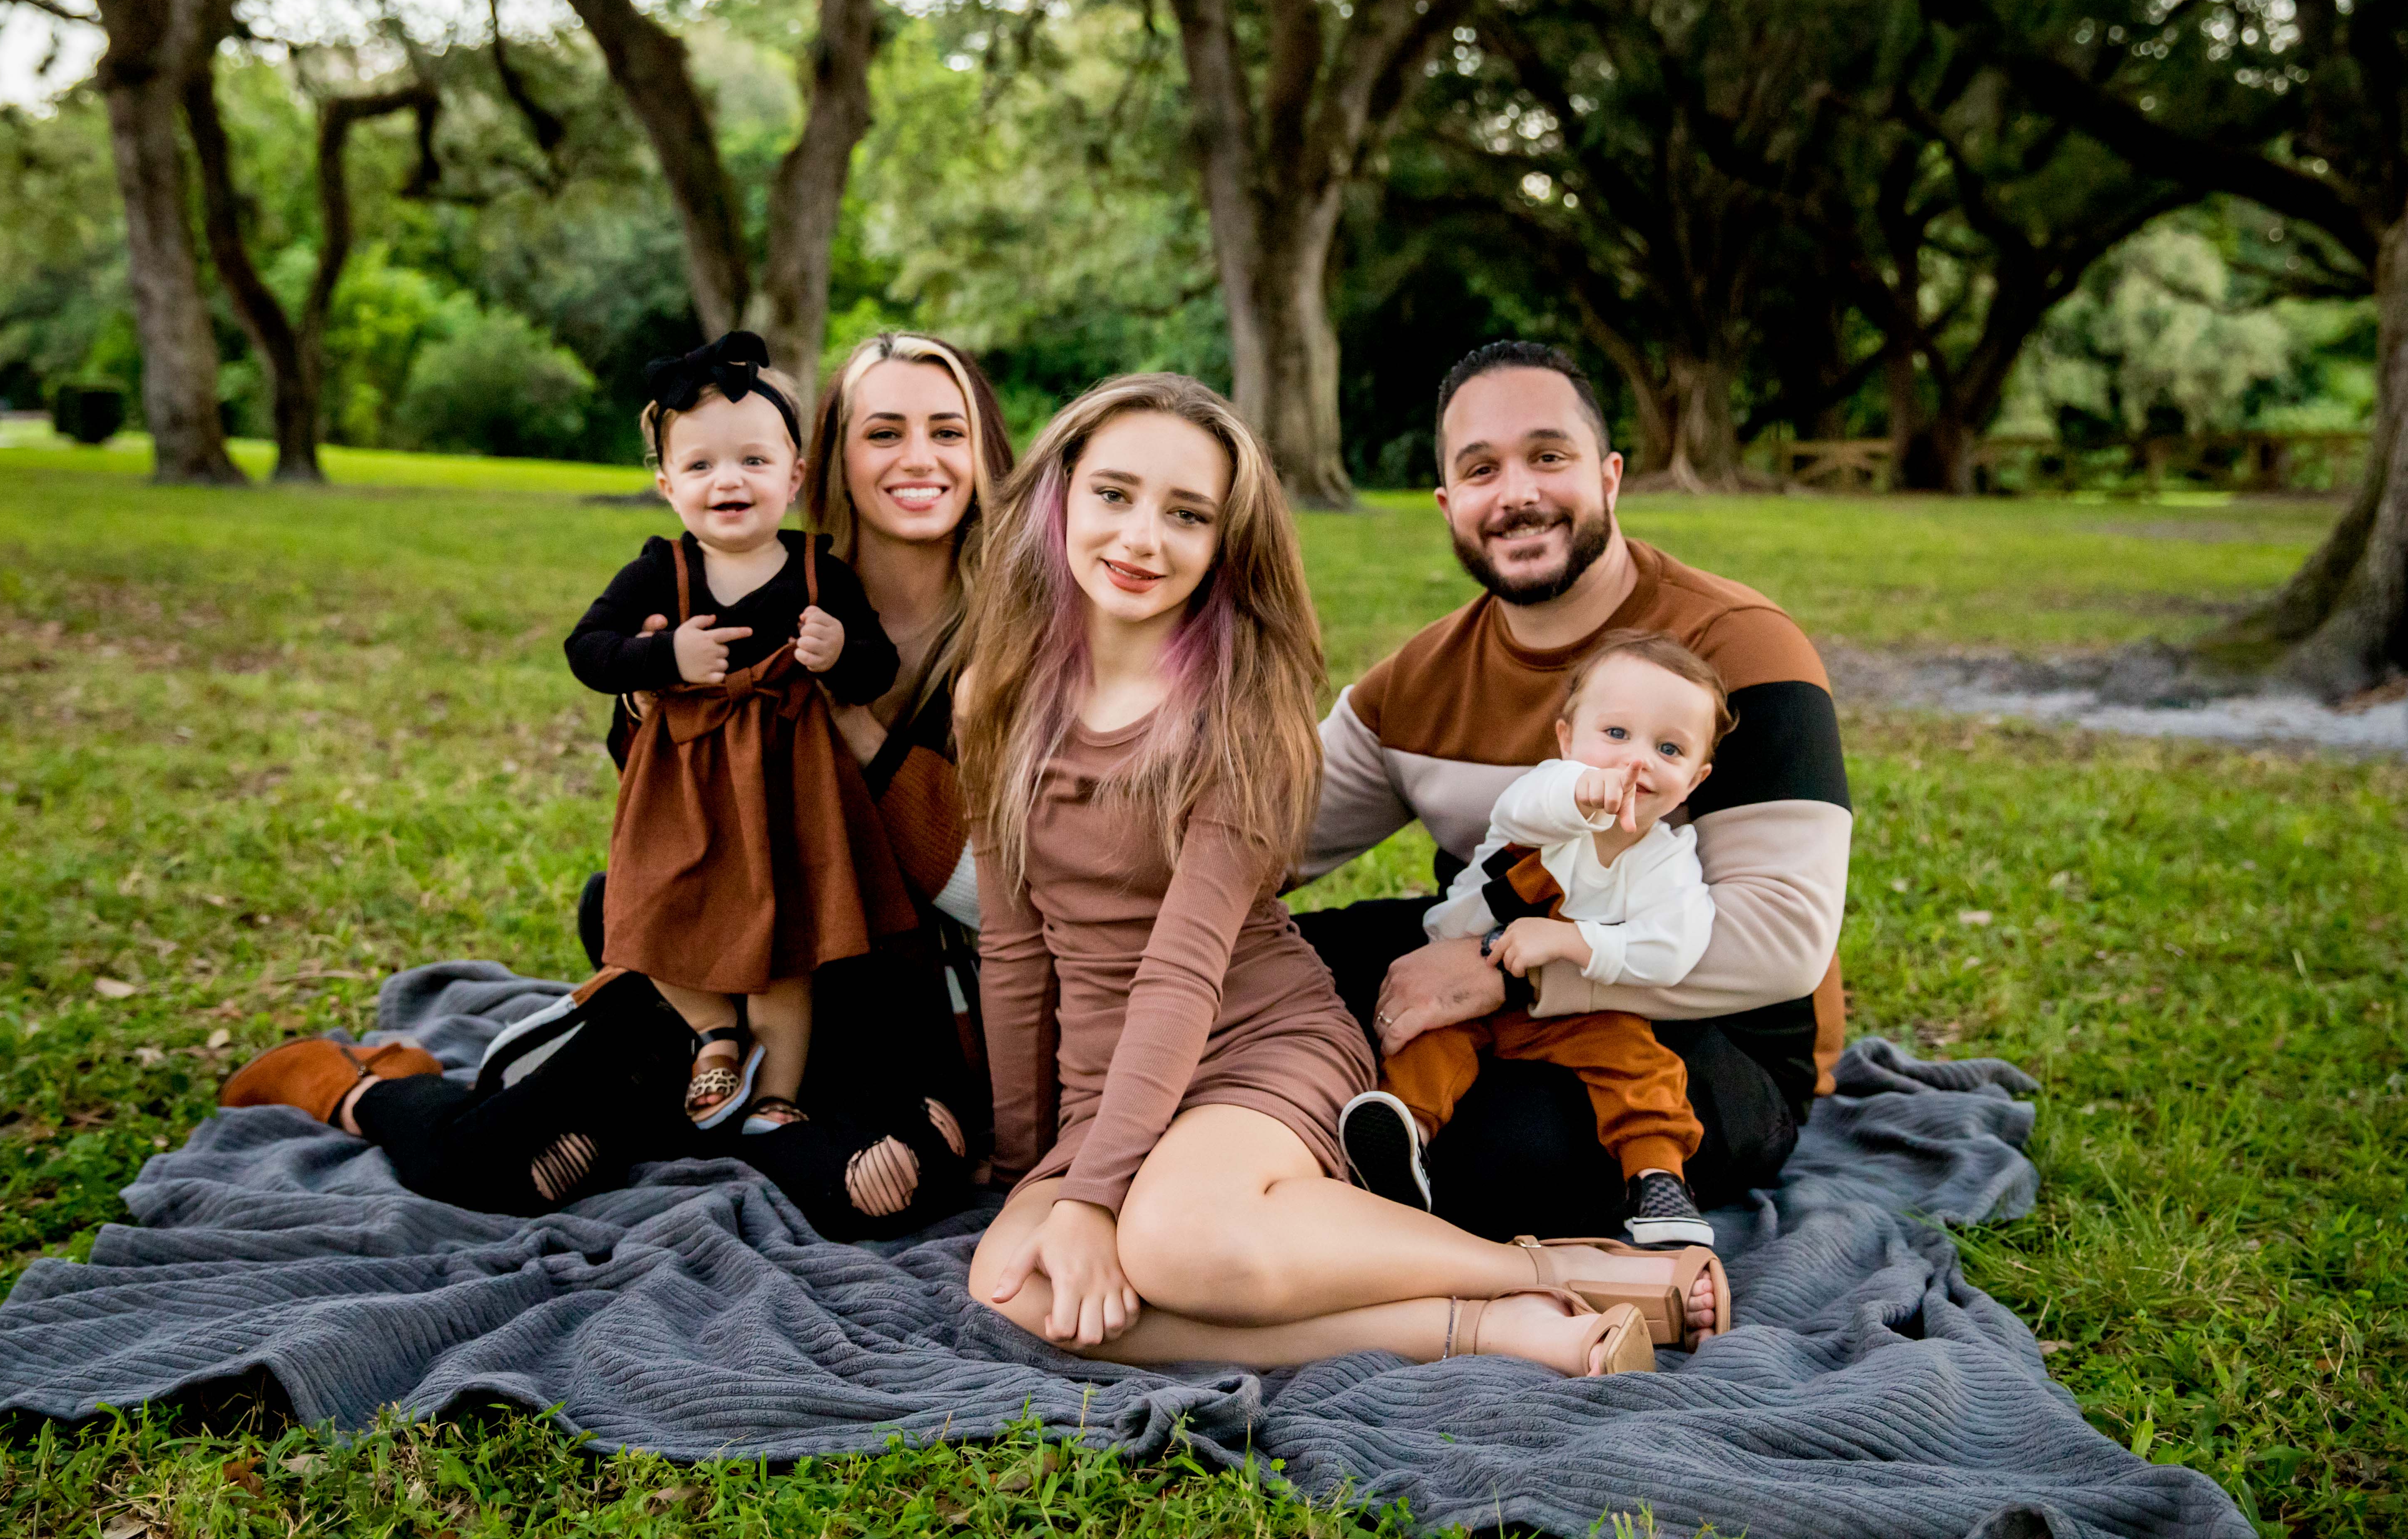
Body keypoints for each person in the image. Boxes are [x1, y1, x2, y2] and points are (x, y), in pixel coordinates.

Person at [962, 373, 1708, 1376]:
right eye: (1114, 494)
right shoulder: (993, 698)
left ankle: (1519, 1272)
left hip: (1251, 1047)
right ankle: (1474, 1323)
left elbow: (1183, 971)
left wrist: (1094, 1199)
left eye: (1188, 514)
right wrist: (1028, 1168)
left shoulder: (1239, 721)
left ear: (1227, 544)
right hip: (1111, 1079)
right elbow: (1013, 947)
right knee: (1015, 1288)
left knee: (1173, 1242)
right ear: (1059, 496)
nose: (1142, 538)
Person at [220, 331, 1016, 1239]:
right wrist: (653, 702)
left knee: (889, 1186)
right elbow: (659, 787)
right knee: (494, 1167)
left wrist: (855, 725)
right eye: (885, 433)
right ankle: (359, 1084)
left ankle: (721, 1104)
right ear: (827, 459)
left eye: (947, 431)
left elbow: (1009, 903)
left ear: (986, 451)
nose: (919, 458)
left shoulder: (1027, 636)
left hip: (894, 991)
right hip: (730, 933)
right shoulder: (723, 578)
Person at [1296, 341, 1852, 1253]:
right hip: (1489, 953)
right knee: (1274, 980)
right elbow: (1251, 845)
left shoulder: (1744, 651)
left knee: (1501, 1158)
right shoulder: (1416, 683)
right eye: (1481, 469)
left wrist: (1508, 969)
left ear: (1609, 476)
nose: (1516, 492)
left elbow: (1783, 943)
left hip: (1706, 1033)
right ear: (1449, 505)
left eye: (1547, 457)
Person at [565, 330, 909, 1133]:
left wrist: (838, 654)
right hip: (688, 792)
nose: (730, 481)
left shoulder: (821, 572)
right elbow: (588, 650)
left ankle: (780, 1097)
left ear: (792, 476)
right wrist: (662, 656)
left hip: (793, 795)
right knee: (647, 917)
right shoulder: (662, 573)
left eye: (754, 461)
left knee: (786, 954)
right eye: (701, 466)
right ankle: (715, 1035)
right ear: (666, 485)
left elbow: (877, 668)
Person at [1339, 628, 1732, 1251]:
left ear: (1695, 778)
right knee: (1420, 1047)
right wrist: (1581, 793)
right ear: (1565, 739)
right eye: (1616, 735)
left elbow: (1672, 948)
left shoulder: (1667, 862)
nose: (1637, 761)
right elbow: (1532, 808)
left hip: (1566, 1011)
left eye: (1668, 748)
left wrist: (1574, 944)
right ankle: (1400, 1146)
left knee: (1640, 1064)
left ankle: (1658, 1180)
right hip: (1455, 994)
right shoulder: (1545, 798)